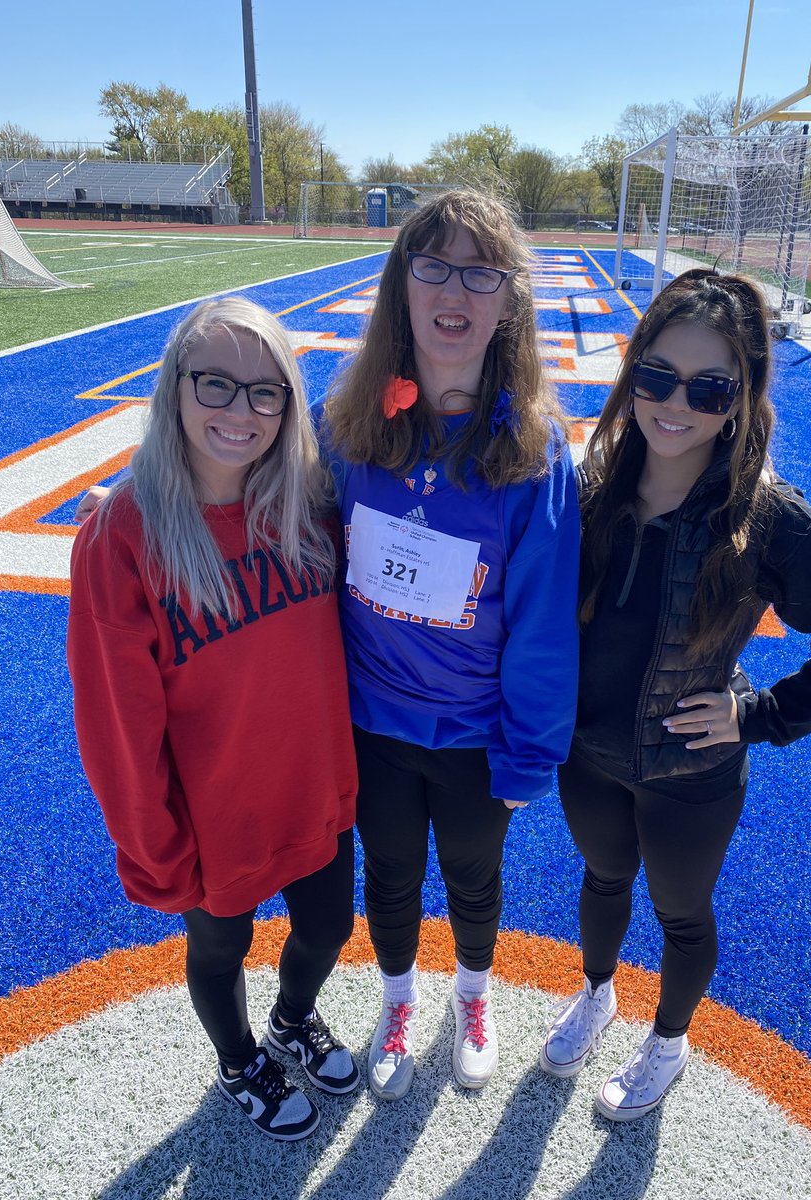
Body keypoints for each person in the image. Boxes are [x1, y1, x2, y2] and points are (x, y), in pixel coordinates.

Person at [539, 268, 811, 1121]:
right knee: (602, 880)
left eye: (709, 387)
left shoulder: (767, 517)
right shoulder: (591, 487)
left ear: (741, 398)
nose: (676, 404)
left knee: (681, 915)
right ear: (632, 373)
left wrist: (759, 715)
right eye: (658, 376)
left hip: (690, 775)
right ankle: (597, 993)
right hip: (586, 756)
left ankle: (668, 1041)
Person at [67, 297, 359, 1142]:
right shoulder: (123, 535)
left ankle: (291, 1021)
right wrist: (155, 845)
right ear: (176, 387)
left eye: (266, 390)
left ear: (289, 404)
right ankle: (238, 1060)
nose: (241, 410)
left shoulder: (309, 498)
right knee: (220, 950)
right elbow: (115, 720)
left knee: (330, 927)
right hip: (213, 810)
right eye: (216, 384)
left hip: (315, 785)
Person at [322, 189, 580, 1099]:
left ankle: (473, 995)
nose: (454, 290)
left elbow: (543, 624)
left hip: (475, 733)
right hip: (372, 723)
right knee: (390, 874)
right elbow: (247, 487)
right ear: (402, 283)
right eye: (433, 265)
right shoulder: (348, 422)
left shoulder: (535, 453)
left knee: (473, 877)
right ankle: (398, 1000)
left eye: (480, 272)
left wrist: (529, 755)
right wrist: (143, 496)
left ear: (508, 299)